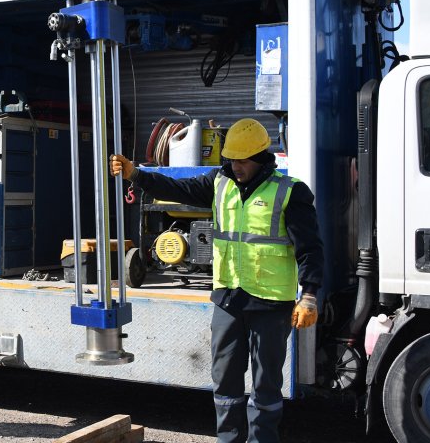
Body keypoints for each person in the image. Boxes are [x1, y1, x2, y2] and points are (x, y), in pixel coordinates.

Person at [111, 118, 323, 443]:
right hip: (228, 300)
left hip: (270, 304)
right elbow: (176, 189)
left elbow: (310, 248)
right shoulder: (219, 182)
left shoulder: (289, 192)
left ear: (260, 158)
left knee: (266, 384)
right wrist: (136, 175)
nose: (236, 166)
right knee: (224, 379)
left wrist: (309, 295)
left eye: (242, 160)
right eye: (231, 159)